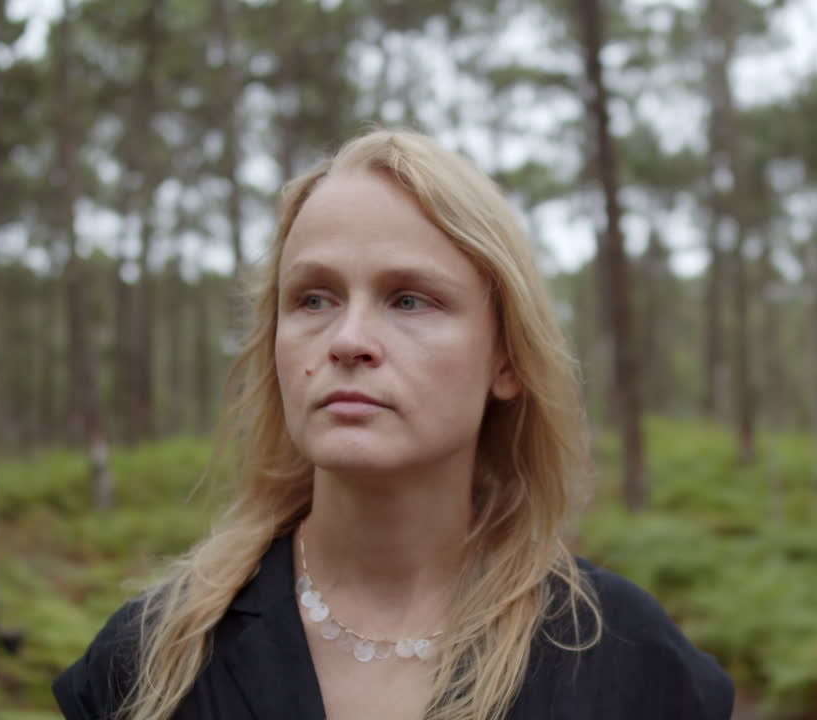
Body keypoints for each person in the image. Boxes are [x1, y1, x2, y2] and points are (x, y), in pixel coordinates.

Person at [53, 129, 734, 720]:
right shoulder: (153, 660)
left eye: (410, 300)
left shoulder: (628, 662)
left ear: (506, 359)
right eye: (313, 298)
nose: (348, 339)